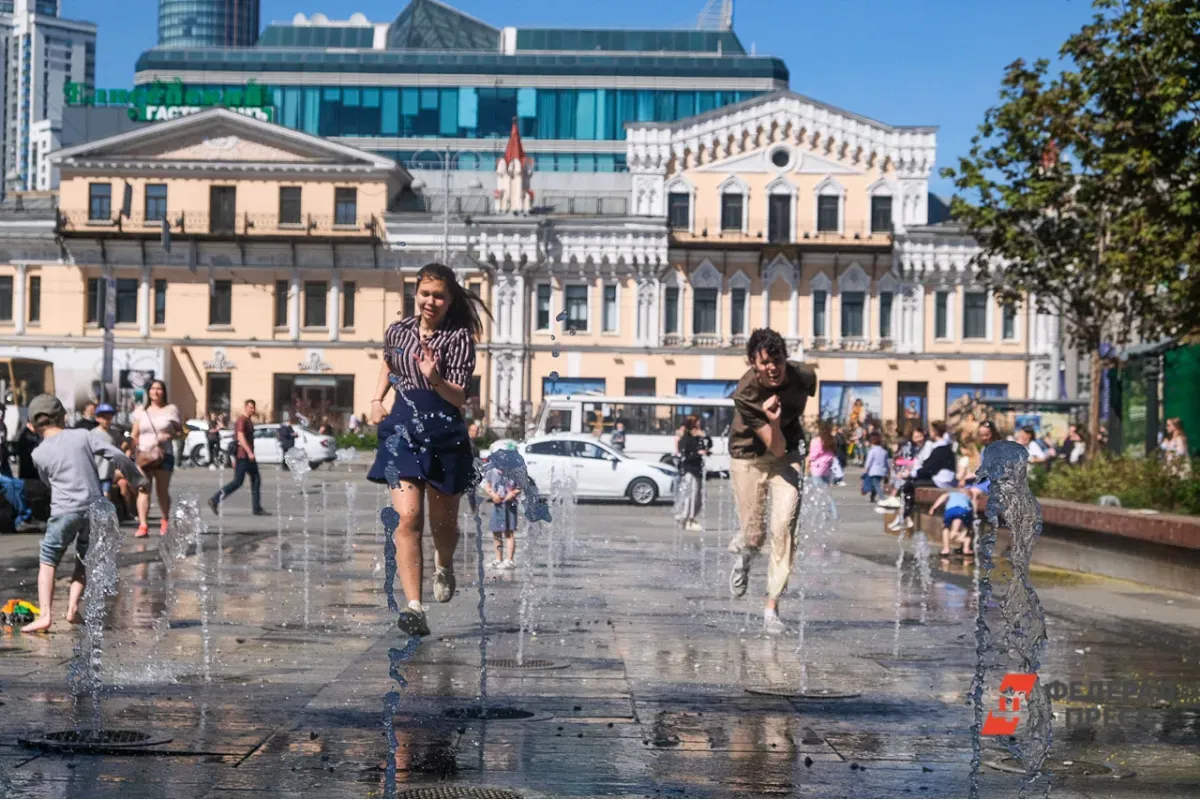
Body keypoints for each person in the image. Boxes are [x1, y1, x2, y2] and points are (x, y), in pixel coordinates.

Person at [368, 262, 489, 638]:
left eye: (439, 295)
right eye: (424, 294)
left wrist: (434, 377)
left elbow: (460, 396)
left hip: (444, 430)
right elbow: (388, 361)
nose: (430, 302)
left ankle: (445, 563)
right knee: (408, 519)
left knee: (442, 523)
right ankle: (414, 607)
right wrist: (376, 398)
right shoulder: (399, 330)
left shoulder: (459, 337)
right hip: (403, 426)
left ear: (450, 299)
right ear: (415, 293)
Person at [21, 394, 145, 633]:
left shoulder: (38, 453)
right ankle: (72, 608)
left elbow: (48, 482)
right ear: (64, 417)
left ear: (33, 426)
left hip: (64, 510)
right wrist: (137, 479)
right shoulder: (82, 435)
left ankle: (45, 615)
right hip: (94, 508)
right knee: (83, 561)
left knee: (48, 560)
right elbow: (118, 455)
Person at [727, 328, 817, 633]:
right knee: (755, 535)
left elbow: (781, 450)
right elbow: (772, 443)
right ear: (753, 362)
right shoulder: (746, 394)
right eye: (764, 362)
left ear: (785, 357)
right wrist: (774, 421)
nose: (772, 367)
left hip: (787, 456)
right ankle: (745, 554)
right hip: (748, 457)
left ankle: (771, 608)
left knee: (784, 529)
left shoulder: (803, 376)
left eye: (776, 359)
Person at [130, 380, 182, 538]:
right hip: (144, 455)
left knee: (162, 490)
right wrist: (134, 448)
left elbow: (181, 432)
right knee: (143, 489)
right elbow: (134, 434)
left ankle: (165, 520)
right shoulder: (141, 411)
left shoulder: (171, 409)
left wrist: (169, 435)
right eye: (153, 388)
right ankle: (143, 525)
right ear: (148, 392)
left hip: (164, 454)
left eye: (159, 388)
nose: (156, 391)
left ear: (164, 392)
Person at [209, 399, 267, 517]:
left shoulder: (248, 421)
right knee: (237, 482)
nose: (253, 410)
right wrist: (250, 452)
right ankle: (214, 500)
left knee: (256, 480)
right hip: (243, 456)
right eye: (251, 407)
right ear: (245, 407)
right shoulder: (242, 420)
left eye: (254, 407)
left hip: (247, 457)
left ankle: (257, 508)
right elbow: (240, 437)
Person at [90, 404, 133, 521]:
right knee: (94, 495)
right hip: (95, 470)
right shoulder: (92, 434)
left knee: (106, 493)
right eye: (103, 417)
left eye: (109, 417)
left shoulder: (114, 434)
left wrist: (127, 444)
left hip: (108, 471)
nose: (106, 420)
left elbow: (122, 446)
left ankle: (105, 516)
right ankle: (96, 516)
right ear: (97, 418)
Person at [674, 415, 711, 532]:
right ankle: (687, 519)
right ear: (692, 424)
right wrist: (698, 453)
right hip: (689, 470)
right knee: (691, 495)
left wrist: (704, 438)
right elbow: (685, 454)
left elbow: (709, 444)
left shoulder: (698, 436)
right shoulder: (686, 437)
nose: (700, 424)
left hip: (697, 469)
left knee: (700, 496)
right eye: (697, 423)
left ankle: (688, 517)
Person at [484, 458, 520, 570]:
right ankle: (498, 559)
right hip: (498, 506)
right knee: (496, 533)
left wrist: (512, 493)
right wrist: (493, 495)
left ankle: (509, 559)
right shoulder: (491, 472)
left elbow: (520, 487)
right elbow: (487, 486)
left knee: (509, 532)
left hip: (510, 506)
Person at [929, 480, 975, 557]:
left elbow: (943, 497)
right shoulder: (967, 497)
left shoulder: (952, 493)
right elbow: (973, 504)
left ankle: (946, 549)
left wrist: (933, 507)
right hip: (964, 510)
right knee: (968, 529)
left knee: (946, 528)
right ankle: (966, 548)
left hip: (951, 510)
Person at [861, 431, 889, 503]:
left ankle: (883, 498)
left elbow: (869, 461)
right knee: (875, 484)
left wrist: (866, 469)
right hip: (882, 470)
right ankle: (872, 497)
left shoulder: (872, 451)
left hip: (874, 470)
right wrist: (888, 470)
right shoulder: (884, 451)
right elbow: (886, 462)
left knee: (876, 485)